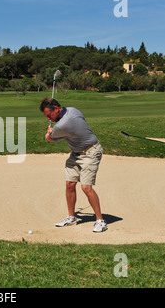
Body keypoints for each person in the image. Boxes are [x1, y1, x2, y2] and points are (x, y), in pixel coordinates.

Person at [39, 97, 107, 233]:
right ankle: (72, 218)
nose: (49, 119)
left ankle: (100, 220)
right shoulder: (73, 110)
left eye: (49, 115)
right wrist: (52, 132)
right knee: (70, 184)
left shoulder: (62, 125)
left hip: (90, 152)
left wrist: (48, 135)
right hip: (76, 154)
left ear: (57, 109)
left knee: (86, 188)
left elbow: (50, 139)